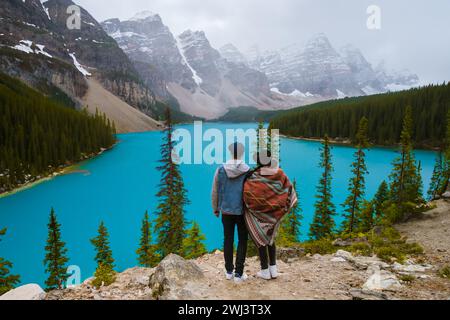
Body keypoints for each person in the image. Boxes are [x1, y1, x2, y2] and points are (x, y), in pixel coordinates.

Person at [243, 150, 297, 280]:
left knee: (261, 240)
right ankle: (274, 269)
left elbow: (247, 195)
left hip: (259, 214)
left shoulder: (253, 176)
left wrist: (256, 207)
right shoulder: (278, 172)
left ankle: (265, 270)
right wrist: (280, 205)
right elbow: (289, 188)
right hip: (275, 214)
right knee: (271, 239)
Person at [211, 142, 250, 283]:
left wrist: (216, 208)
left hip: (226, 211)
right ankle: (239, 274)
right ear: (241, 153)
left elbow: (215, 190)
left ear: (230, 153)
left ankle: (229, 272)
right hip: (242, 211)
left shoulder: (220, 170)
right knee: (242, 240)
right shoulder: (248, 171)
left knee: (228, 239)